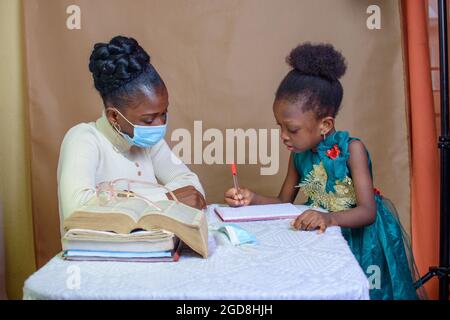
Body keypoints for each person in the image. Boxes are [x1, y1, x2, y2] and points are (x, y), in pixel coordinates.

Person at [224, 42, 420, 300]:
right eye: (279, 127)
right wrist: (252, 199)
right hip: (323, 236)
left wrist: (329, 218)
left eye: (291, 129)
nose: (283, 136)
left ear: (325, 124)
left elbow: (368, 212)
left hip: (364, 240)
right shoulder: (299, 154)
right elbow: (284, 201)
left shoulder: (353, 150)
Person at [57, 35, 206, 226]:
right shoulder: (83, 138)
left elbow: (192, 186)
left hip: (152, 248)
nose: (159, 124)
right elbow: (78, 209)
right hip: (99, 255)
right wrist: (167, 197)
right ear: (114, 116)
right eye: (149, 119)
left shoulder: (149, 143)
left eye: (164, 113)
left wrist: (119, 200)